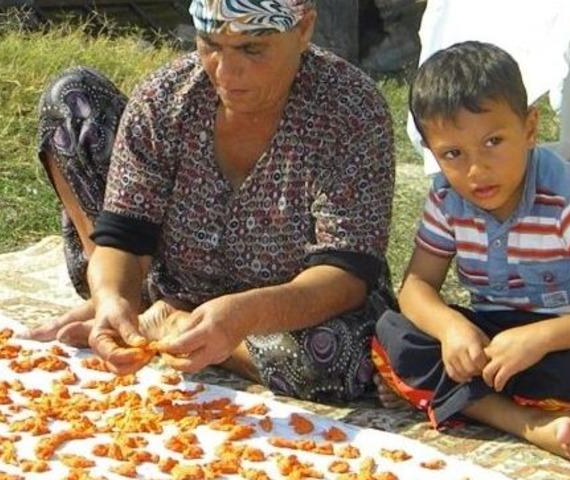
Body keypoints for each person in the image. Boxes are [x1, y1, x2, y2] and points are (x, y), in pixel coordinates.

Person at [25, 0, 397, 404]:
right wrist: (113, 296)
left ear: (303, 29)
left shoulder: (350, 109)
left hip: (289, 305)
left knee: (345, 356)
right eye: (211, 45)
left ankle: (183, 329)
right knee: (70, 96)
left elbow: (345, 275)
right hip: (173, 275)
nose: (226, 72)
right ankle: (135, 311)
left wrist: (244, 317)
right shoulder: (166, 97)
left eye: (252, 48)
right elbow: (124, 237)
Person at [371, 41, 570, 467]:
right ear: (432, 153)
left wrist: (541, 339)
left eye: (493, 141)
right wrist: (452, 329)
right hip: (493, 342)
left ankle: (454, 396)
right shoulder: (447, 199)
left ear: (530, 128)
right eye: (453, 154)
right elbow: (417, 286)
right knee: (393, 329)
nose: (476, 170)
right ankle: (525, 421)